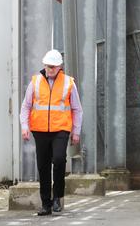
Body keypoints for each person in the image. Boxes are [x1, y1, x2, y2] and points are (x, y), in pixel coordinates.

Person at [20, 49, 83, 216]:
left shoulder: (69, 83)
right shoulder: (35, 82)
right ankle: (46, 204)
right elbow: (26, 106)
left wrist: (76, 131)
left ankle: (57, 197)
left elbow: (77, 109)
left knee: (59, 159)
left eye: (53, 67)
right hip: (39, 130)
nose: (50, 69)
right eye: (47, 66)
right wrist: (24, 126)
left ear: (59, 67)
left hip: (61, 129)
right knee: (43, 166)